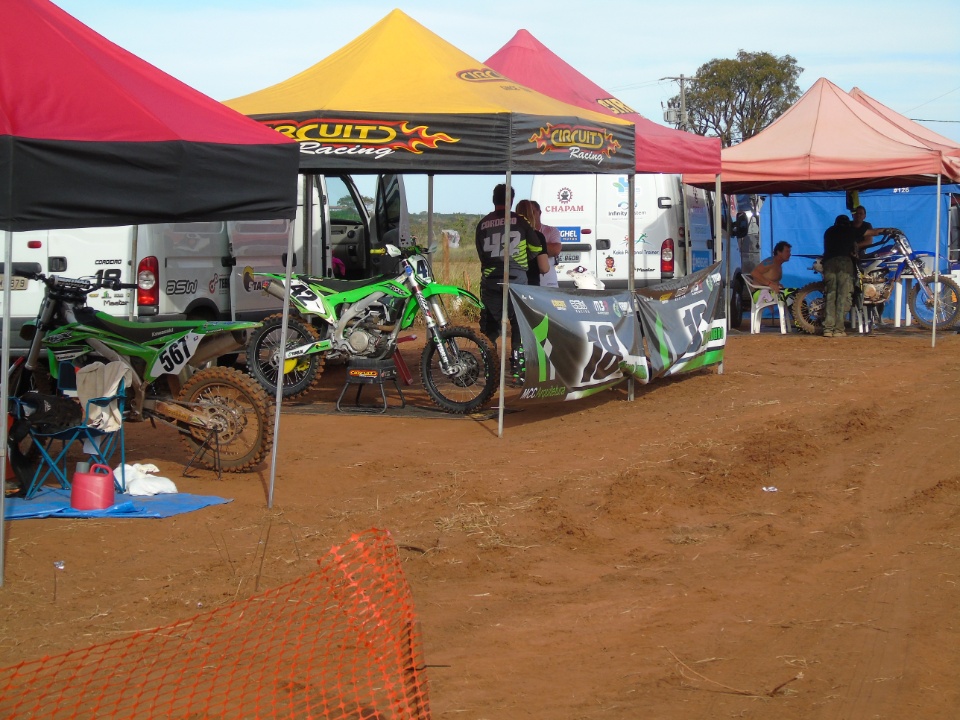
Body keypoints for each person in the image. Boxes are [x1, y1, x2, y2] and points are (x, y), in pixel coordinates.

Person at [475, 184, 547, 377]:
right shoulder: (521, 222)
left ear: (493, 199)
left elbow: (481, 253)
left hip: (490, 279)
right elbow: (535, 248)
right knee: (519, 324)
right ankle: (518, 368)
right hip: (516, 279)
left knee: (490, 325)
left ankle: (490, 367)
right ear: (511, 200)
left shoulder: (483, 223)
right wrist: (522, 261)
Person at [822, 215, 891, 337]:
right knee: (843, 296)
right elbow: (874, 232)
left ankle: (827, 329)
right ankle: (838, 330)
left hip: (829, 263)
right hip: (844, 264)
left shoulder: (829, 231)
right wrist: (889, 230)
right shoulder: (850, 231)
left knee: (831, 295)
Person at [515, 200, 550, 287]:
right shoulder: (537, 236)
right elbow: (544, 267)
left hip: (513, 282)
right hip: (531, 284)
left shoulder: (508, 235)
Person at [531, 200, 562, 288]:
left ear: (539, 212)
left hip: (549, 282)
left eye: (533, 212)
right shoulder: (519, 232)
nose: (530, 216)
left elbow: (555, 250)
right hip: (529, 282)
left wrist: (530, 245)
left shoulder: (551, 230)